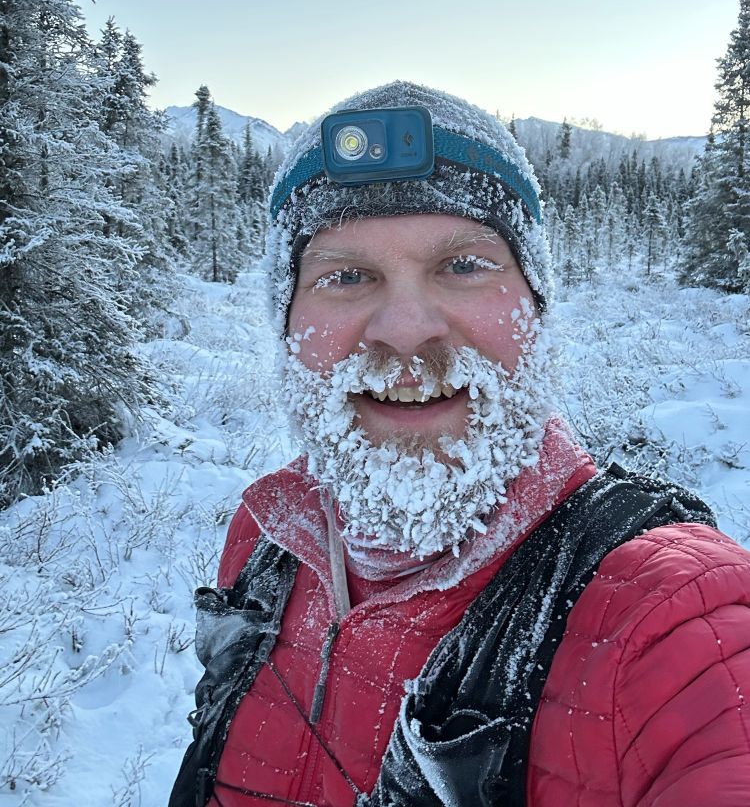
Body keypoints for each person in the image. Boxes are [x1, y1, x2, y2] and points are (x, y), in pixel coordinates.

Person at [171, 82, 750, 807]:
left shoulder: (671, 619)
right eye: (345, 276)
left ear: (535, 308)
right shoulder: (266, 540)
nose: (406, 329)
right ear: (286, 327)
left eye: (465, 265)